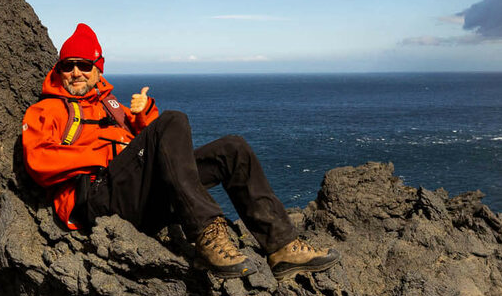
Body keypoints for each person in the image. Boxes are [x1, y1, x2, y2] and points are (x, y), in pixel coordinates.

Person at [20, 23, 339, 279]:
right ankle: (207, 231)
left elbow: (157, 146)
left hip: (138, 198)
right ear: (59, 69)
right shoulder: (49, 109)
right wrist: (104, 156)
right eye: (69, 65)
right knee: (174, 120)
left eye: (84, 65)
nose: (76, 72)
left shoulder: (111, 105)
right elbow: (38, 160)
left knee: (232, 149)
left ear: (98, 68)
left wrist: (143, 114)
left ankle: (282, 246)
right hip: (95, 198)